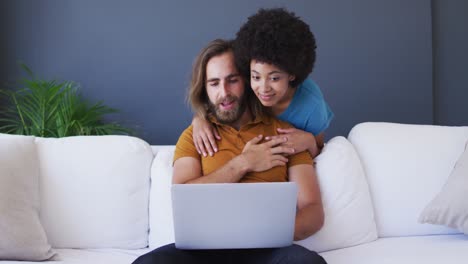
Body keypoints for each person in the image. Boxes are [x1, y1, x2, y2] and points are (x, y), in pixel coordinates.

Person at [132, 39, 326, 264]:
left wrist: (266, 234)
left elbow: (312, 211)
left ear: (247, 80)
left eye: (232, 80)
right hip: (203, 251)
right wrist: (243, 163)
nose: (224, 92)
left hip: (267, 250)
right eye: (214, 83)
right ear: (204, 89)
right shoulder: (194, 136)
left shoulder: (284, 133)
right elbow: (184, 195)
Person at [192, 8, 334, 159]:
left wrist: (309, 141)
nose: (264, 89)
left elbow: (318, 150)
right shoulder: (247, 86)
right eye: (256, 77)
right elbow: (221, 104)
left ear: (292, 74)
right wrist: (199, 120)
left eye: (274, 78)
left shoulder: (313, 106)